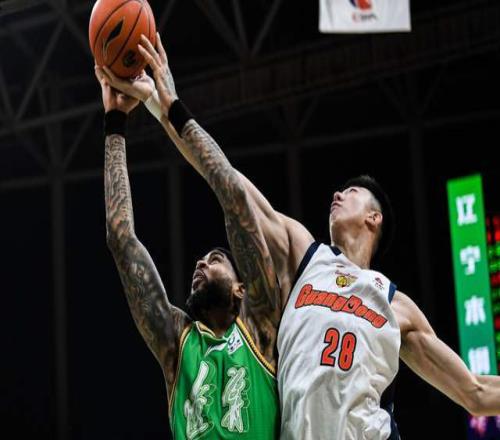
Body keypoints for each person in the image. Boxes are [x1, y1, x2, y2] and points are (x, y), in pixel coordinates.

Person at [101, 33, 500, 440]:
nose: (337, 194)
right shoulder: (305, 258)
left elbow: (476, 392)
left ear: (374, 217)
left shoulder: (398, 306)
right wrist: (163, 105)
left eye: (351, 192)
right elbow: (227, 183)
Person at [95, 64, 281, 439]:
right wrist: (115, 122)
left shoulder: (261, 326)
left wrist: (173, 108)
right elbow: (120, 238)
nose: (201, 262)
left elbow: (233, 195)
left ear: (241, 289)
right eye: (204, 259)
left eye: (216, 259)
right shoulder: (178, 342)